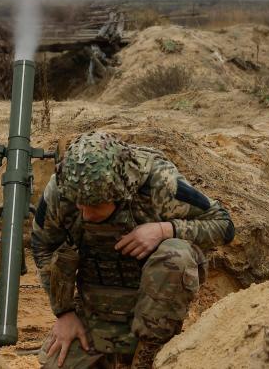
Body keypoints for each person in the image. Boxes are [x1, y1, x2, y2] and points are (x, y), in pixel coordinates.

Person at [32, 132, 236, 369]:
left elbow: (224, 225)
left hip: (154, 308)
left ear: (121, 191)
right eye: (79, 205)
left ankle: (150, 352)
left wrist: (165, 229)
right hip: (94, 308)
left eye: (95, 205)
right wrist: (64, 313)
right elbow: (43, 246)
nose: (85, 214)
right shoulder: (62, 187)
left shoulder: (160, 184)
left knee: (175, 254)